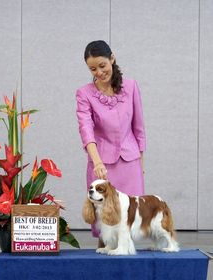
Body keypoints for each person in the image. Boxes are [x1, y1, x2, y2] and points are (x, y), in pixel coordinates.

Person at [76, 40, 146, 237]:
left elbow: (139, 128)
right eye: (92, 69)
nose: (99, 72)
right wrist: (96, 161)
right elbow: (86, 129)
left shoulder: (131, 87)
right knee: (104, 225)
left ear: (112, 59)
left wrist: (141, 163)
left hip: (130, 164)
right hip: (102, 166)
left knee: (130, 221)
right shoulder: (84, 94)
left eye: (102, 65)